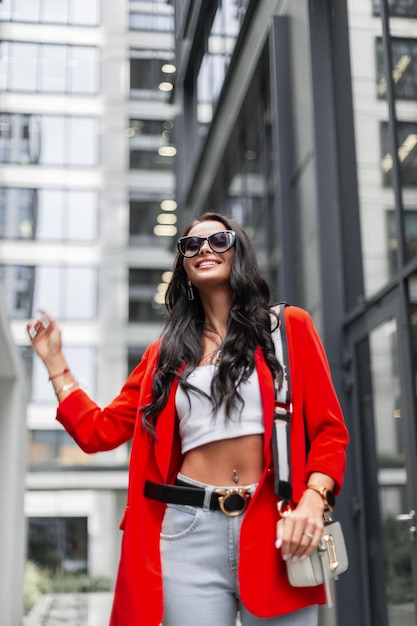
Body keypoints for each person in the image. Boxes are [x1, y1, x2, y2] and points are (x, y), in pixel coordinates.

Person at [27, 212, 348, 626]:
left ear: (239, 251)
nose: (204, 250)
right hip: (188, 530)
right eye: (191, 246)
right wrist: (55, 362)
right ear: (184, 268)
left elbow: (329, 431)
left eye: (218, 240)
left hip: (275, 525)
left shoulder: (288, 329)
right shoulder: (164, 354)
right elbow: (99, 432)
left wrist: (312, 499)